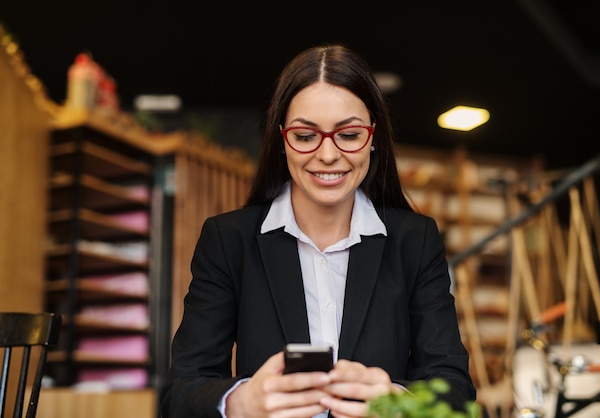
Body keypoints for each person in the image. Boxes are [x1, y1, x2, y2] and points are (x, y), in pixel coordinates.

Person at [160, 43, 476, 418]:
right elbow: (180, 392)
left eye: (349, 134)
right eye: (306, 136)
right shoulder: (230, 241)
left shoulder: (415, 241)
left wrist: (394, 402)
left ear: (373, 138)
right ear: (282, 140)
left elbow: (455, 389)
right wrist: (240, 401)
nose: (328, 155)